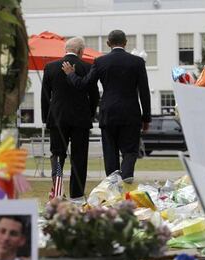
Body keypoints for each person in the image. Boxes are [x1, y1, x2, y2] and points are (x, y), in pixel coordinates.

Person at [62, 30, 151, 180]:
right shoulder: (137, 62)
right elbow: (144, 92)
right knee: (130, 151)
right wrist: (146, 118)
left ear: (108, 44)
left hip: (108, 112)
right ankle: (127, 174)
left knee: (110, 150)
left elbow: (84, 84)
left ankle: (112, 180)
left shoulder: (100, 62)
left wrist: (71, 74)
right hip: (131, 113)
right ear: (125, 42)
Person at [41, 37, 99, 200]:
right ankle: (77, 194)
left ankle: (58, 191)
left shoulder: (50, 67)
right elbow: (94, 95)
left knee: (57, 154)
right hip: (81, 118)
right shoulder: (88, 67)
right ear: (81, 51)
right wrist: (91, 113)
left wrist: (46, 118)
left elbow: (45, 96)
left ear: (65, 50)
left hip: (57, 117)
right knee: (79, 157)